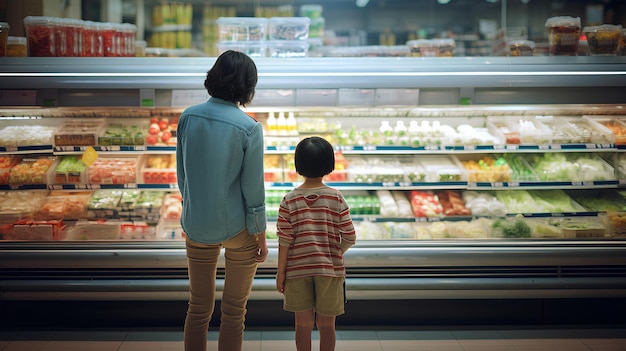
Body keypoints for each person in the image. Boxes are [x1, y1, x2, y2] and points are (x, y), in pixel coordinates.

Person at [176, 50, 268, 351]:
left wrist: (189, 213)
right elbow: (252, 189)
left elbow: (183, 175)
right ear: (248, 86)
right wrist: (261, 235)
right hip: (237, 230)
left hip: (197, 224)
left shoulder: (188, 117)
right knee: (233, 312)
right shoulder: (249, 127)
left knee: (198, 308)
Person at [275, 136, 357, 351]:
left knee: (302, 324)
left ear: (298, 164)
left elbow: (284, 239)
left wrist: (281, 272)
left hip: (296, 270)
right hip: (330, 271)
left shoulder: (289, 200)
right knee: (326, 324)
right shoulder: (336, 198)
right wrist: (333, 253)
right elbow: (349, 236)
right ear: (329, 164)